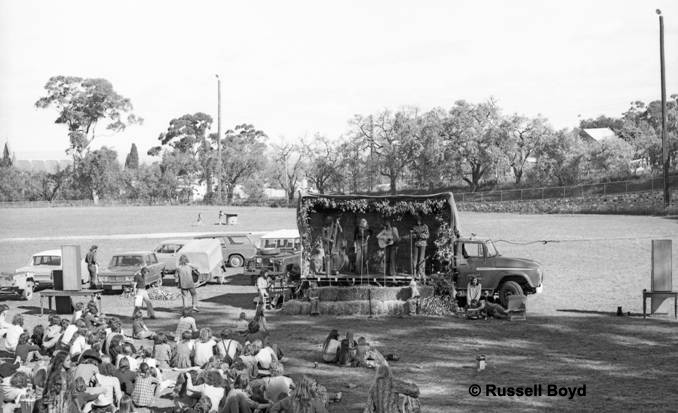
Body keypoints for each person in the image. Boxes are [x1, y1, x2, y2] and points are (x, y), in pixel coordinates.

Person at [411, 215, 429, 281]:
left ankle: (421, 272)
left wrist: (421, 235)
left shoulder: (425, 226)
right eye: (417, 221)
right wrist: (415, 235)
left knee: (421, 258)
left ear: (421, 220)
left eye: (419, 221)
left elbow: (427, 235)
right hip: (416, 243)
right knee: (415, 258)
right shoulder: (414, 227)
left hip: (423, 244)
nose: (418, 222)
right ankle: (414, 272)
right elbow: (412, 235)